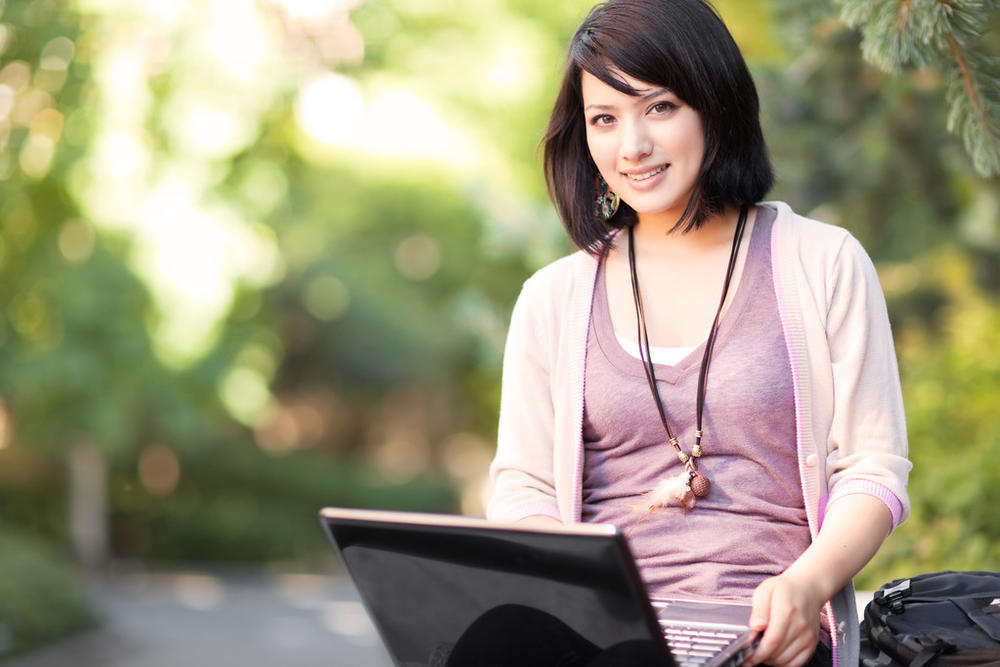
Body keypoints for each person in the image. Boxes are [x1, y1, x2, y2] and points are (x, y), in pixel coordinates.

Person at [485, 1, 912, 666]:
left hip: (766, 635)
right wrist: (577, 584)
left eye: (659, 108)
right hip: (603, 629)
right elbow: (524, 488)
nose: (632, 147)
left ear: (715, 104)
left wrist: (806, 586)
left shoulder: (822, 262)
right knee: (494, 636)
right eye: (605, 118)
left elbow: (872, 469)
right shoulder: (552, 298)